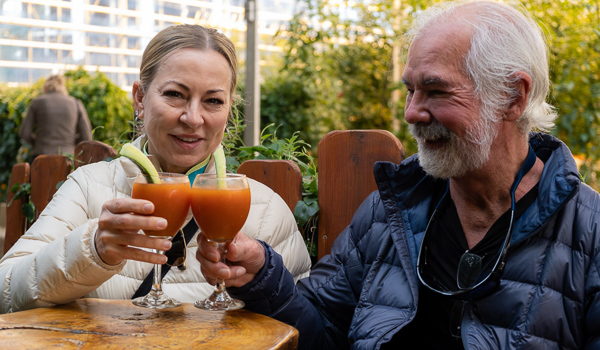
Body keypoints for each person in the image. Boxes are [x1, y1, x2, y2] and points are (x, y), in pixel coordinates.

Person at [196, 1, 600, 349]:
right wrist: (264, 277)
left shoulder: (590, 233)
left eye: (436, 91)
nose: (412, 112)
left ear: (513, 97)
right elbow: (320, 332)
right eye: (410, 90)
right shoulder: (388, 212)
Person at [0, 24, 311, 313]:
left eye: (213, 101)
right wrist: (91, 249)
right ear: (140, 97)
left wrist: (262, 281)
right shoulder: (88, 188)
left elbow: (303, 327)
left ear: (229, 108)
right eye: (175, 94)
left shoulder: (265, 209)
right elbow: (5, 290)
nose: (193, 118)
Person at [19, 74, 92, 163]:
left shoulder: (37, 102)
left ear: (45, 87)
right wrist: (69, 142)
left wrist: (39, 142)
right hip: (68, 159)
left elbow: (24, 133)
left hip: (40, 157)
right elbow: (87, 136)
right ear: (63, 87)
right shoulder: (76, 103)